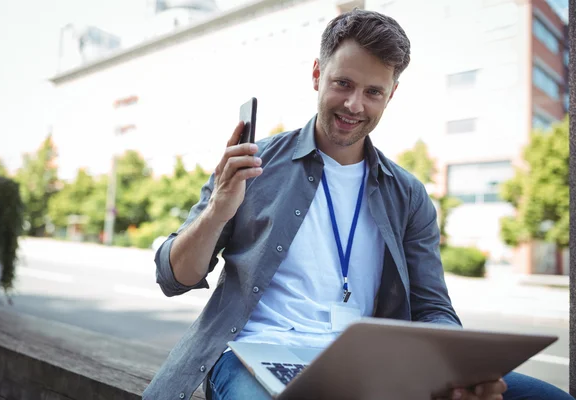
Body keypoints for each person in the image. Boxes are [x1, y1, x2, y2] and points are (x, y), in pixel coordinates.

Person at [143, 9, 572, 400]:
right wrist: (220, 208)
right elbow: (173, 276)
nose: (354, 105)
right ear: (317, 73)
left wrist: (455, 367)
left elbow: (434, 308)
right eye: (342, 84)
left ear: (392, 94)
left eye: (373, 92)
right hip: (253, 354)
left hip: (365, 365)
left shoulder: (408, 194)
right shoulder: (252, 164)